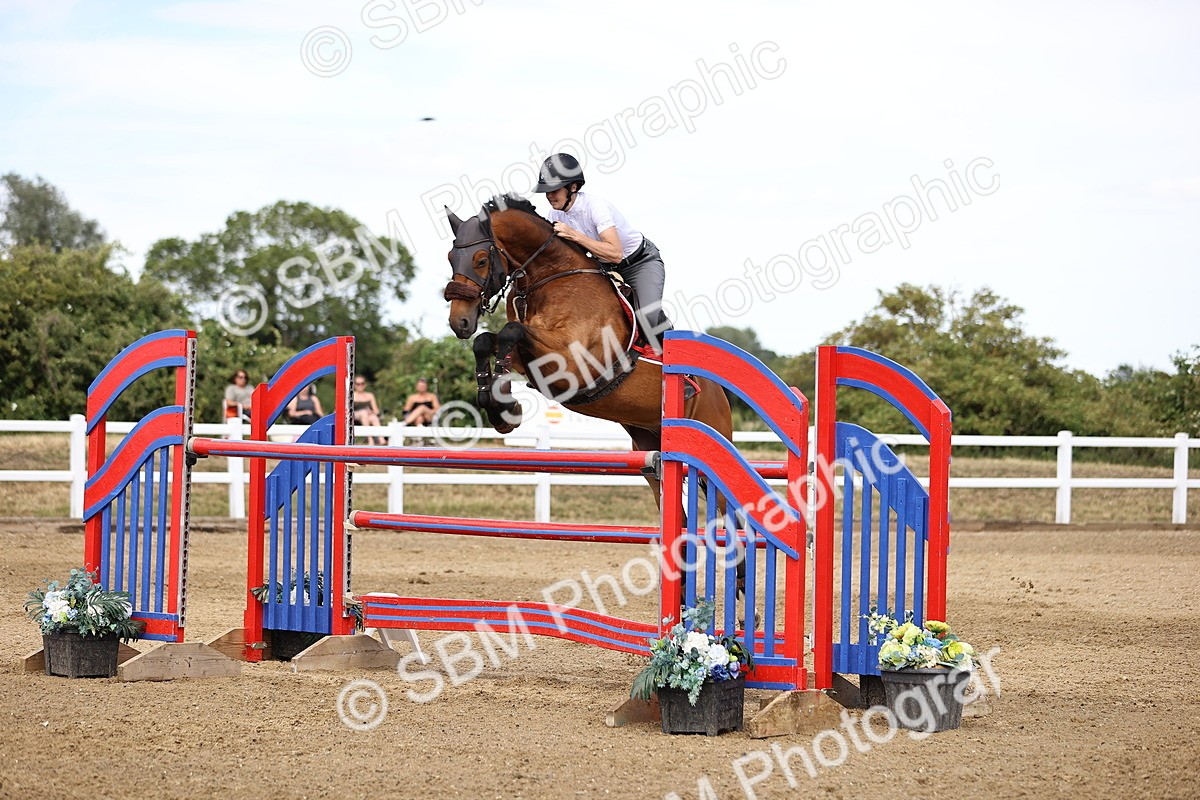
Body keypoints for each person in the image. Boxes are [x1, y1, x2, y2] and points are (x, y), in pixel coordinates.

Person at [533, 152, 673, 353]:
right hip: (604, 267)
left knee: (646, 316)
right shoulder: (554, 214)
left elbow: (615, 253)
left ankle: (680, 365)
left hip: (639, 262)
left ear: (573, 187)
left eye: (554, 190)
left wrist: (574, 235)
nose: (549, 195)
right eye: (546, 191)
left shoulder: (595, 207)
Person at [353, 375, 384, 445]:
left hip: (367, 417)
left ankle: (381, 439)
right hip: (354, 416)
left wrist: (371, 412)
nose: (360, 386)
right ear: (354, 385)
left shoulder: (370, 395)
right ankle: (370, 439)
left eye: (362, 383)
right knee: (363, 413)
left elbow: (376, 411)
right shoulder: (351, 395)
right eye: (358, 384)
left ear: (365, 384)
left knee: (373, 417)